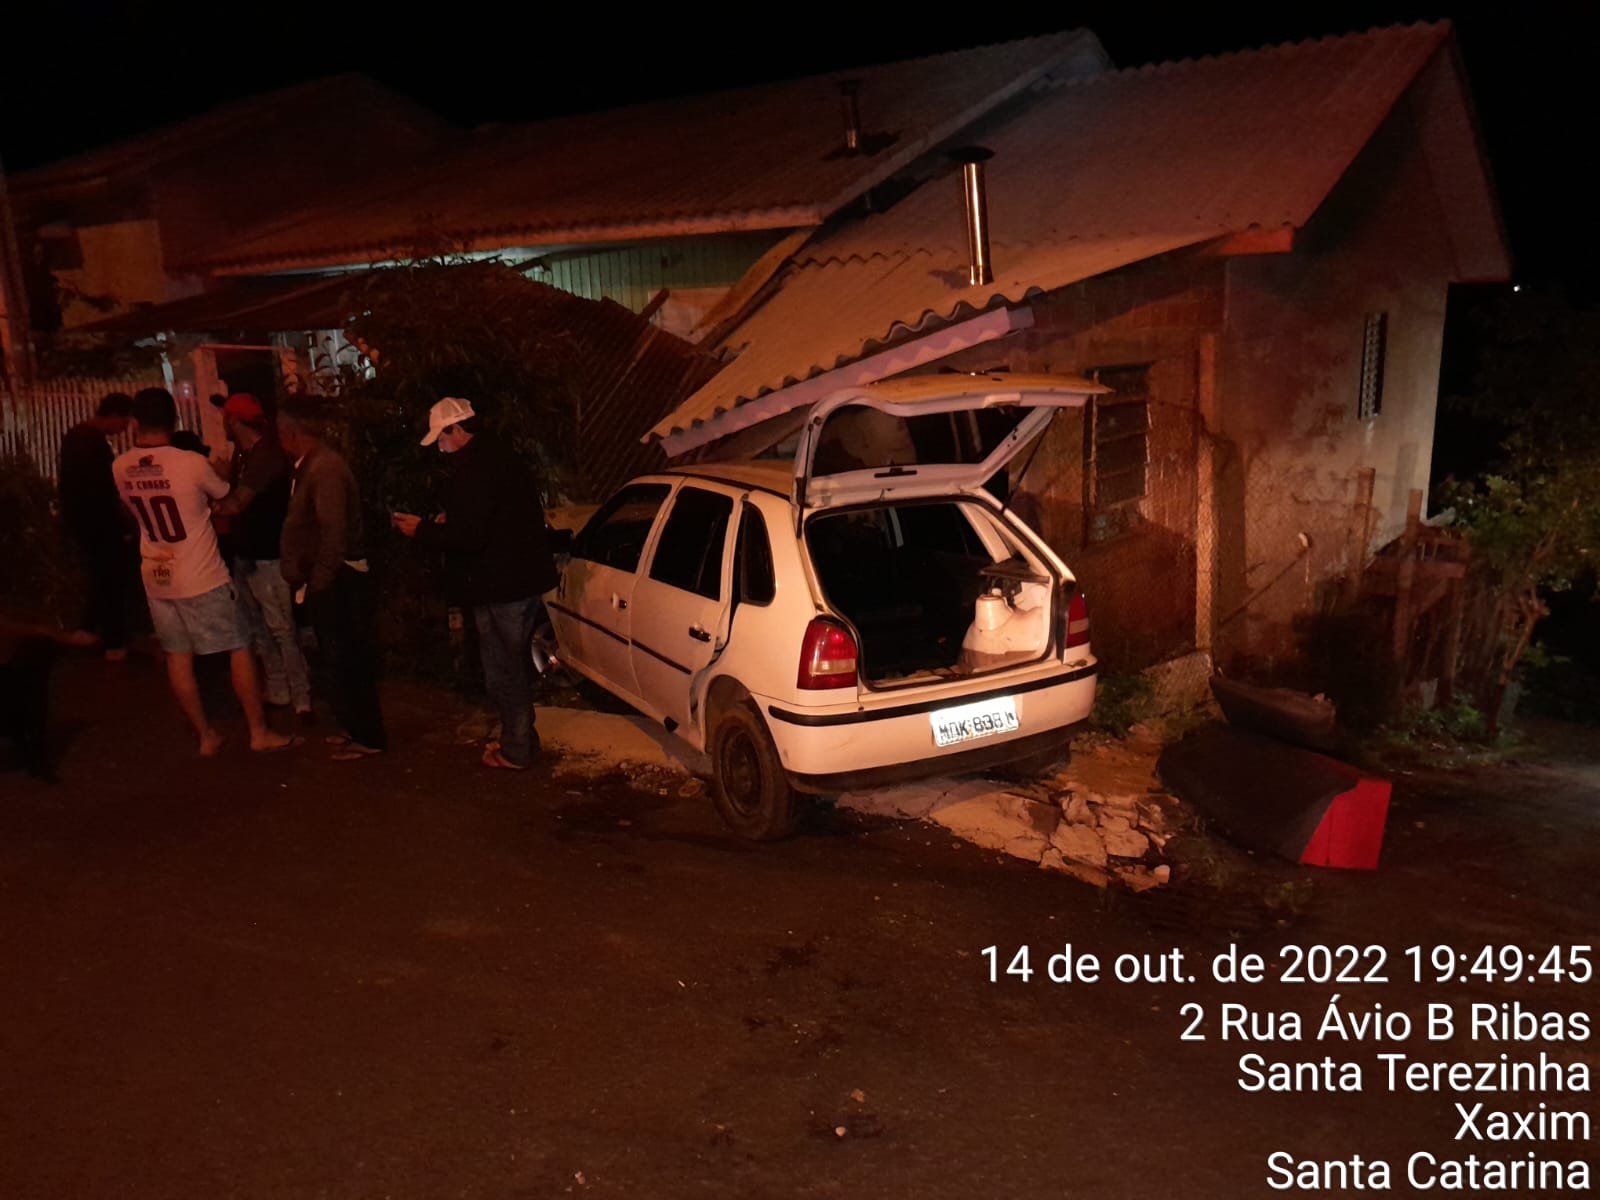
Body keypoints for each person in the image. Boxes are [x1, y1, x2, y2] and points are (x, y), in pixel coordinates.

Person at [112, 388, 296, 756]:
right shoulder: (191, 464)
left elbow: (129, 511)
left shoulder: (120, 466)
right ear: (174, 421)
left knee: (178, 656)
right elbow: (225, 499)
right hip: (201, 574)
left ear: (134, 423)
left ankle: (205, 735)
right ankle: (259, 732)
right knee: (238, 647)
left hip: (157, 575)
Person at [392, 397, 556, 770]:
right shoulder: (499, 458)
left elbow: (471, 535)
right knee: (505, 665)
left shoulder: (476, 469)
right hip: (513, 580)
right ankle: (522, 742)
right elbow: (493, 516)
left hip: (503, 584)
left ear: (457, 429)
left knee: (505, 667)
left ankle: (516, 750)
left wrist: (423, 530)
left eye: (441, 437)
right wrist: (451, 520)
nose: (440, 446)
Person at [277, 395, 387, 761]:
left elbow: (333, 532)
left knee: (346, 657)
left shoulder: (324, 468)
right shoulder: (310, 465)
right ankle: (354, 728)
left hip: (338, 579)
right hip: (329, 577)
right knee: (337, 658)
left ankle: (368, 736)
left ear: (292, 429)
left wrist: (319, 583)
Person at [210, 394, 312, 726]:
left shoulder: (264, 457)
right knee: (260, 628)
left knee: (281, 628)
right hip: (249, 553)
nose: (223, 424)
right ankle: (281, 689)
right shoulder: (247, 453)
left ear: (234, 420)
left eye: (226, 418)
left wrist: (206, 500)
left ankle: (301, 696)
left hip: (268, 555)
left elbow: (237, 503)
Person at [57, 392, 139, 660]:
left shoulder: (76, 436)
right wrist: (122, 526)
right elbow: (103, 490)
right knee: (113, 579)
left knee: (100, 576)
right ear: (115, 416)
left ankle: (89, 627)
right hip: (99, 523)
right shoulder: (92, 443)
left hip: (82, 521)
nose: (126, 428)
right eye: (126, 421)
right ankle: (113, 641)